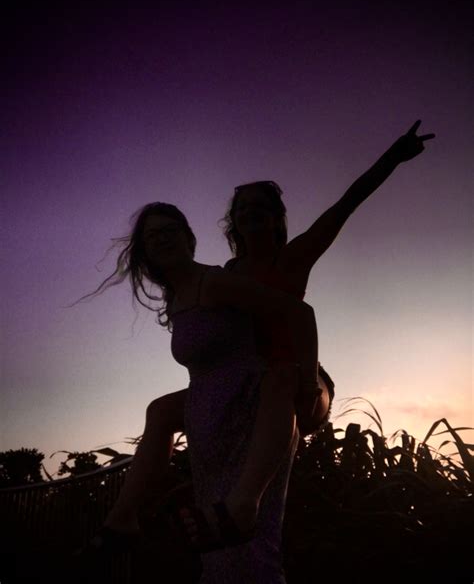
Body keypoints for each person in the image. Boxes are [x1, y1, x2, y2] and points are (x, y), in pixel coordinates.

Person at [90, 119, 435, 555]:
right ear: (232, 222)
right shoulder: (227, 275)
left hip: (301, 381)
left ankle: (244, 505)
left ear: (276, 219)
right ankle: (122, 520)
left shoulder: (296, 256)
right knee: (161, 410)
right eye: (241, 208)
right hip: (250, 383)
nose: (249, 212)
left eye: (260, 207)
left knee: (279, 379)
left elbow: (346, 204)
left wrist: (394, 156)